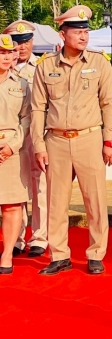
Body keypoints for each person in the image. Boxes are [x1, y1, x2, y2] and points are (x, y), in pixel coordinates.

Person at [31, 5, 112, 276]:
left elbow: (109, 103)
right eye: (77, 31)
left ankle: (96, 254)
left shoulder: (99, 63)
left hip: (89, 138)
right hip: (56, 140)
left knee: (95, 201)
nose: (83, 36)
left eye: (85, 31)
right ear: (63, 34)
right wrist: (38, 145)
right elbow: (37, 108)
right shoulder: (46, 66)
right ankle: (59, 255)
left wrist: (109, 140)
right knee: (56, 202)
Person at [3, 19, 47, 258]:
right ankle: (17, 238)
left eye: (25, 41)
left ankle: (39, 237)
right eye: (16, 43)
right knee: (15, 190)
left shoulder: (42, 66)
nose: (21, 47)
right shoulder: (5, 67)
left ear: (32, 42)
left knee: (40, 185)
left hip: (35, 136)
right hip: (13, 138)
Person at [0, 34, 31, 274]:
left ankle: (7, 253)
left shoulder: (22, 84)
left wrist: (12, 145)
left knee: (11, 205)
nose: (7, 56)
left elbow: (27, 118)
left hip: (11, 149)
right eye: (2, 52)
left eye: (10, 52)